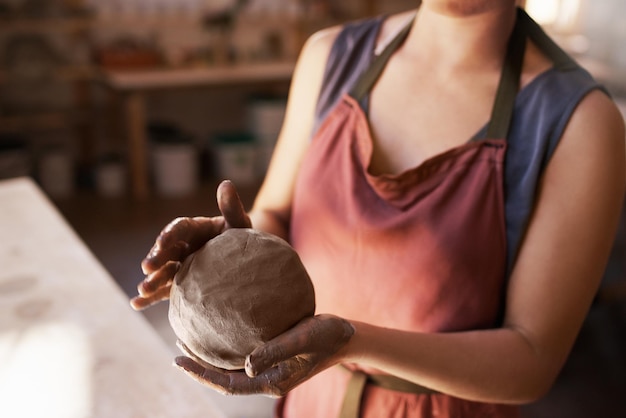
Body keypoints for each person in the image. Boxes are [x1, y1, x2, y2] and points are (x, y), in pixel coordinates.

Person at [131, 1, 626, 417]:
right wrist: (232, 249)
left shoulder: (581, 122)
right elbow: (277, 214)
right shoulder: (331, 56)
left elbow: (531, 361)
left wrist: (351, 341)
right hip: (314, 401)